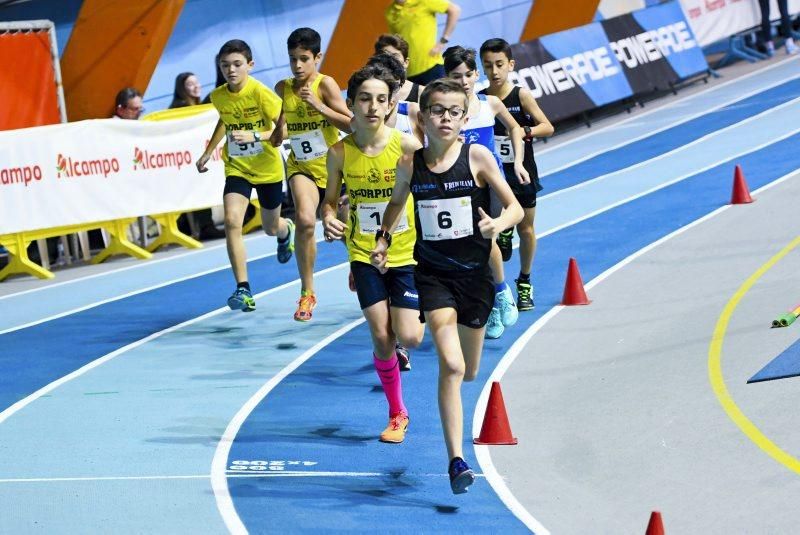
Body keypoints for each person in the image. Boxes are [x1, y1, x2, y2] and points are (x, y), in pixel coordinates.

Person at [372, 78, 522, 494]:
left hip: (475, 278)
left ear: (465, 116)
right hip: (433, 276)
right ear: (423, 115)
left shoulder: (477, 157)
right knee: (451, 365)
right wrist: (383, 239)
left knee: (469, 370)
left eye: (454, 112)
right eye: (437, 110)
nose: (445, 118)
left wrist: (498, 223)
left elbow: (512, 207)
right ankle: (457, 460)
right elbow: (397, 201)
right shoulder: (411, 163)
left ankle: (457, 443)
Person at [322, 65, 424, 442]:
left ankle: (425, 304)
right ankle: (397, 412)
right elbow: (329, 203)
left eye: (381, 99)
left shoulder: (407, 146)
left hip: (407, 252)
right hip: (364, 253)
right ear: (351, 104)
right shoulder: (338, 153)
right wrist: (329, 218)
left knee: (410, 337)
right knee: (382, 337)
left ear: (390, 104)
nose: (373, 106)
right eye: (365, 98)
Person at [196, 39, 295, 313]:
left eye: (237, 64)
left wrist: (255, 135)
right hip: (237, 167)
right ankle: (243, 289)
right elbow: (225, 120)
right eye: (225, 65)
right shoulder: (218, 96)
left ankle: (286, 229)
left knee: (270, 227)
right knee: (231, 222)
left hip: (267, 169)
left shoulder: (261, 94)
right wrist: (208, 152)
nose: (231, 70)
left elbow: (285, 131)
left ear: (249, 65)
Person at [444, 45, 528, 339]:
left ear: (476, 74)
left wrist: (517, 161)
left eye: (469, 74)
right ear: (447, 78)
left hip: (491, 184)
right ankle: (493, 294)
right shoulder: (445, 113)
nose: (464, 81)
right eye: (456, 76)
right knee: (465, 246)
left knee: (484, 239)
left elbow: (516, 129)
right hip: (457, 187)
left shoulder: (490, 104)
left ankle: (499, 294)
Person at [270, 27, 352, 322]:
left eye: (304, 59)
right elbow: (282, 126)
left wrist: (317, 105)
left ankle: (357, 261)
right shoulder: (282, 88)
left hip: (333, 165)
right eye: (292, 59)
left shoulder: (325, 84)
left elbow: (351, 124)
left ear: (317, 57)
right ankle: (307, 292)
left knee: (344, 227)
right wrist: (278, 133)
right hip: (301, 166)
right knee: (305, 220)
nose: (298, 66)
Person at [479, 38, 553, 311]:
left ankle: (524, 281)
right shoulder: (481, 99)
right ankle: (496, 288)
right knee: (492, 232)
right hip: (493, 173)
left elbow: (548, 126)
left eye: (499, 64)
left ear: (510, 64)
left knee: (527, 228)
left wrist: (525, 131)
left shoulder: (520, 95)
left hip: (522, 170)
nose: (494, 71)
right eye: (488, 66)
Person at [170, 72, 226, 241]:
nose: (196, 86)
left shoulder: (201, 106)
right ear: (182, 89)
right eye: (190, 84)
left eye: (197, 82)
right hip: (184, 161)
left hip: (203, 156)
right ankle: (202, 226)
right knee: (197, 187)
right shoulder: (177, 108)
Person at [385, 0, 461, 85]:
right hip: (408, 73)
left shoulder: (424, 1)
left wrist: (443, 41)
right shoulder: (390, 12)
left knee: (443, 97)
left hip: (432, 65)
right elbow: (396, 41)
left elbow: (454, 10)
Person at [374, 34, 424, 103]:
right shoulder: (368, 90)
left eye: (395, 56)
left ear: (406, 63)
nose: (390, 60)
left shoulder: (421, 93)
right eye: (385, 55)